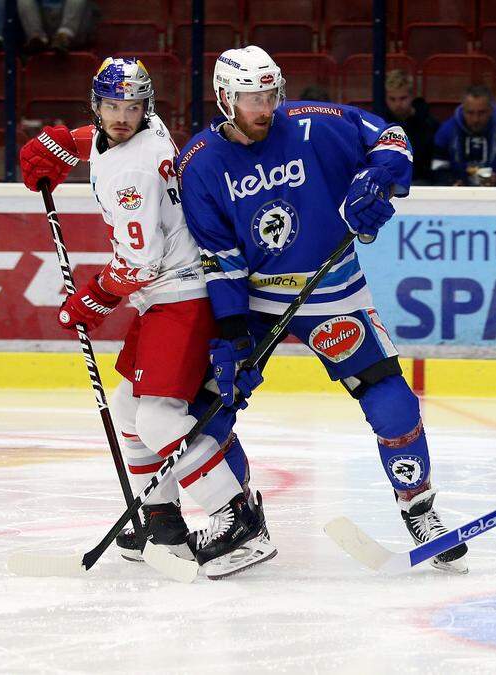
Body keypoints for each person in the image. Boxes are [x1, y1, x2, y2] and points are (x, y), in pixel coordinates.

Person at [176, 46, 469, 573]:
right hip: (258, 300)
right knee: (208, 406)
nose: (264, 107)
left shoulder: (314, 124)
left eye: (269, 94)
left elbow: (391, 138)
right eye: (250, 99)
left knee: (390, 398)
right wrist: (232, 332)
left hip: (333, 290)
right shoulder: (200, 163)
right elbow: (219, 258)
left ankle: (419, 507)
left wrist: (377, 178)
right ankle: (240, 516)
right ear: (224, 99)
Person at [15, 57, 273, 579]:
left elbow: (139, 263)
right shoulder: (141, 130)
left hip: (179, 294)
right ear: (98, 104)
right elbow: (108, 135)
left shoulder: (134, 170)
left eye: (132, 107)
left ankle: (238, 519)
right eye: (112, 106)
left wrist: (92, 298)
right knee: (129, 413)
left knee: (157, 420)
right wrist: (67, 141)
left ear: (146, 108)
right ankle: (162, 520)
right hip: (164, 297)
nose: (122, 117)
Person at [432, 84, 496, 187]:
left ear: (490, 110)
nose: (475, 119)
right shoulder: (446, 131)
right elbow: (438, 168)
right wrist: (451, 183)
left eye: (481, 113)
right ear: (463, 110)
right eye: (470, 113)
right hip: (457, 195)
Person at [375, 69, 438, 185]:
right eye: (392, 99)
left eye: (403, 98)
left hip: (423, 182)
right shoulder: (379, 124)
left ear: (412, 96)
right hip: (387, 183)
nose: (398, 104)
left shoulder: (428, 123)